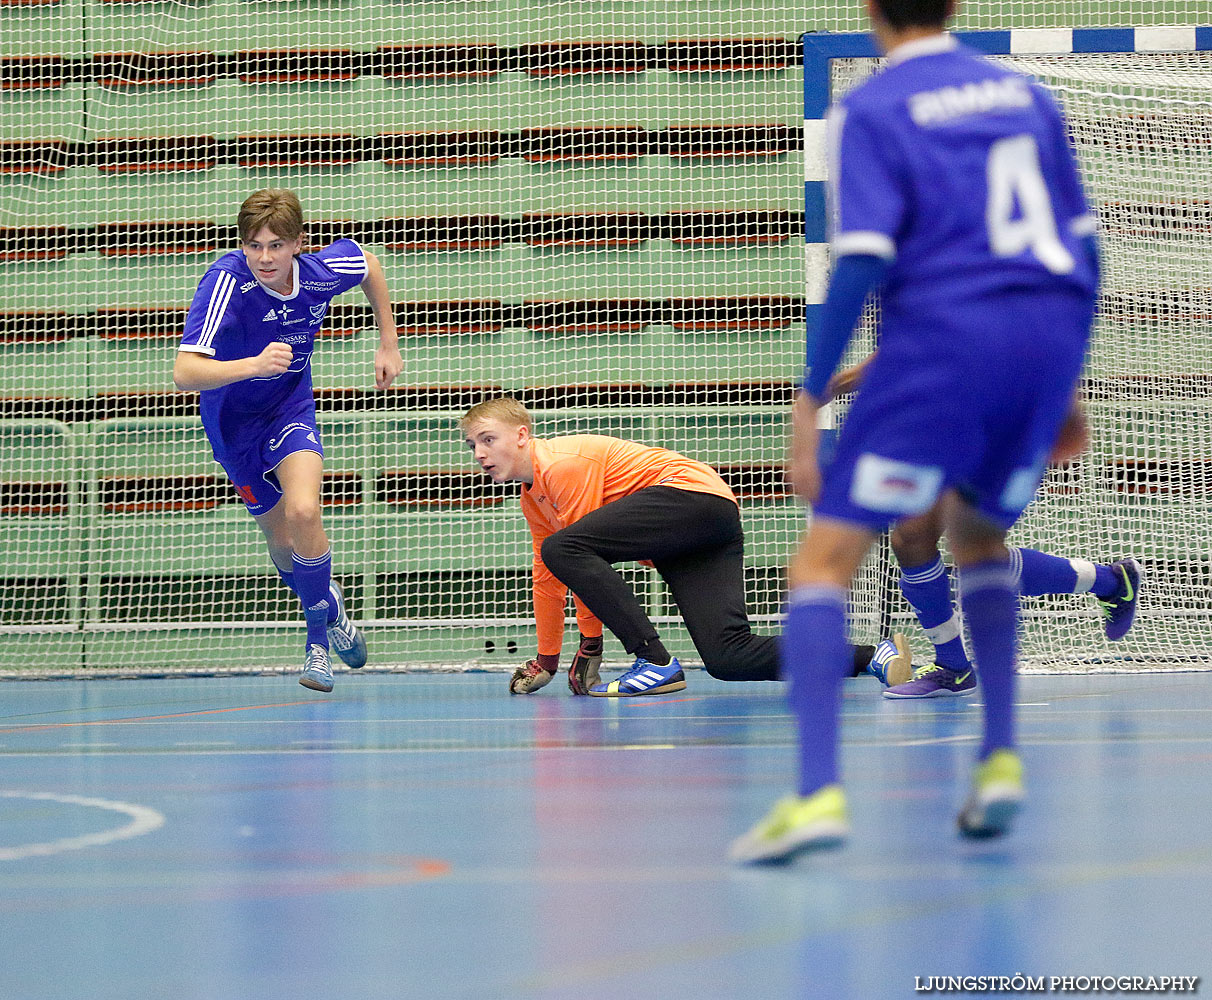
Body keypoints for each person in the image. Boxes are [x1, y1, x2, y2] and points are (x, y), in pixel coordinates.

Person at [729, 0, 1102, 863]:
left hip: (939, 346)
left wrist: (810, 393)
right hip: (1040, 341)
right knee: (976, 536)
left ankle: (817, 794)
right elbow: (1081, 247)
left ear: (871, 11)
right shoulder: (1022, 93)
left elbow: (862, 257)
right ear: (955, 6)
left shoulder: (876, 107)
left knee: (822, 560)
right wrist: (1064, 377)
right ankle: (1000, 758)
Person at [457, 397, 910, 696]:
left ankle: (654, 660)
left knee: (564, 547)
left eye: (488, 439)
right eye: (472, 444)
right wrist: (547, 660)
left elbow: (573, 556)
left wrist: (590, 646)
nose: (479, 452)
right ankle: (872, 656)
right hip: (702, 527)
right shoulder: (532, 498)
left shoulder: (563, 466)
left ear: (521, 436)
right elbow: (549, 578)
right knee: (728, 657)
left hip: (691, 498)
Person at [173, 189, 404, 692]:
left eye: (276, 245)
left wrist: (388, 342)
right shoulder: (225, 283)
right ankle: (330, 604)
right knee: (282, 545)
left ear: (299, 243)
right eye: (254, 245)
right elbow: (184, 372)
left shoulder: (318, 275)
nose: (264, 258)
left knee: (305, 512)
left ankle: (316, 644)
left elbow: (368, 264)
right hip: (233, 428)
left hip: (289, 411)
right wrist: (253, 366)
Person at [826, 364, 1143, 700]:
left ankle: (1109, 582)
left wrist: (828, 387)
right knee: (912, 538)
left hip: (997, 411)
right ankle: (953, 665)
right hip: (949, 414)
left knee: (975, 549)